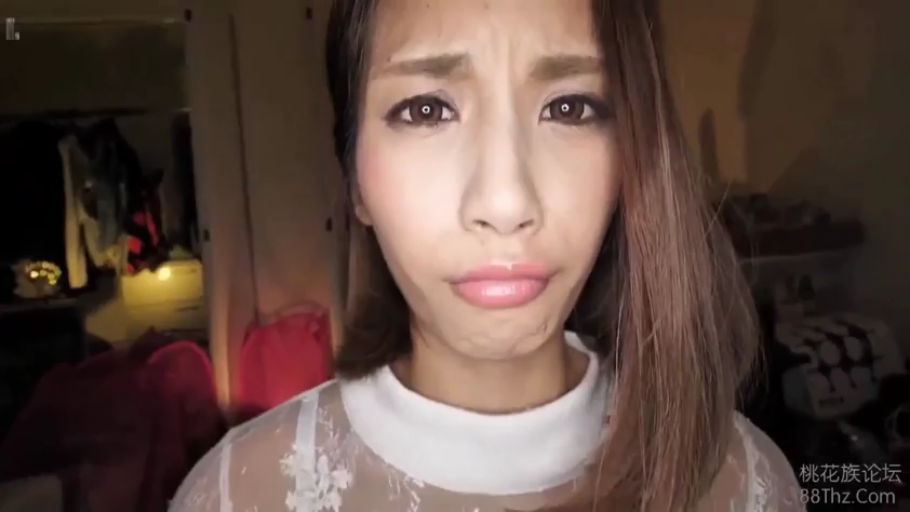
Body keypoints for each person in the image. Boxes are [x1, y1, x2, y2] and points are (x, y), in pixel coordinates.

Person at [170, 0, 804, 510]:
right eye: (426, 109)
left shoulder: (744, 484)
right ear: (355, 180)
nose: (505, 203)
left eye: (569, 107)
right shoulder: (236, 495)